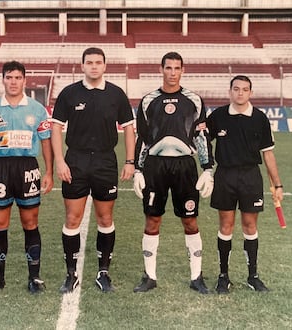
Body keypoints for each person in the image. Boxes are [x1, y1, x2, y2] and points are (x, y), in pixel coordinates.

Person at [51, 47, 135, 293]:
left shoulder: (116, 94)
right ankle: (71, 273)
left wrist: (130, 161)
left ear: (105, 66)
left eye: (99, 62)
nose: (94, 66)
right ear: (82, 65)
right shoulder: (69, 93)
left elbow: (129, 128)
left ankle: (103, 272)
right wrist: (59, 161)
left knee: (105, 218)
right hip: (75, 160)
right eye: (89, 62)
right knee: (72, 218)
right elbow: (56, 128)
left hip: (105, 161)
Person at [133, 51, 214, 294]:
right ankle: (150, 276)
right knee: (152, 219)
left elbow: (201, 136)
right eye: (168, 68)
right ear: (161, 69)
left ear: (182, 70)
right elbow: (142, 139)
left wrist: (208, 168)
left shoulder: (194, 100)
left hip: (184, 166)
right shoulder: (148, 100)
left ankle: (196, 277)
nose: (172, 72)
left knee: (190, 220)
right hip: (155, 166)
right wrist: (138, 169)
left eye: (177, 68)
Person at [0, 61, 53, 294]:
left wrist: (48, 171)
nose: (14, 82)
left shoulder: (37, 109)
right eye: (9, 77)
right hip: (0, 169)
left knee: (30, 222)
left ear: (25, 80)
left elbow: (46, 141)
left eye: (18, 78)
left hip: (28, 167)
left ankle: (34, 277)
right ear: (3, 80)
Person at [206, 75, 283, 294]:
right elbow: (203, 141)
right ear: (229, 91)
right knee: (226, 225)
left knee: (250, 226)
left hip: (250, 176)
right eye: (236, 89)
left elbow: (268, 154)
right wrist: (207, 170)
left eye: (245, 89)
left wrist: (277, 185)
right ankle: (223, 276)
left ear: (251, 92)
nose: (240, 93)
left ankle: (253, 276)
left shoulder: (259, 118)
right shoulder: (218, 116)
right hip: (225, 175)